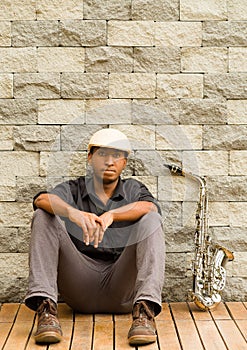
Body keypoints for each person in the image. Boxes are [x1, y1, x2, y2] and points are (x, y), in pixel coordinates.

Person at [24, 128, 165, 346]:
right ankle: (46, 312)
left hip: (121, 287)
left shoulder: (133, 189)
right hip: (79, 285)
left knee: (151, 220)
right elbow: (41, 199)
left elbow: (150, 207)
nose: (110, 161)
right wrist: (73, 212)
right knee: (43, 216)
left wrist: (112, 215)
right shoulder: (74, 188)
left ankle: (144, 314)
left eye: (117, 156)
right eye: (102, 154)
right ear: (90, 157)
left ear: (124, 163)